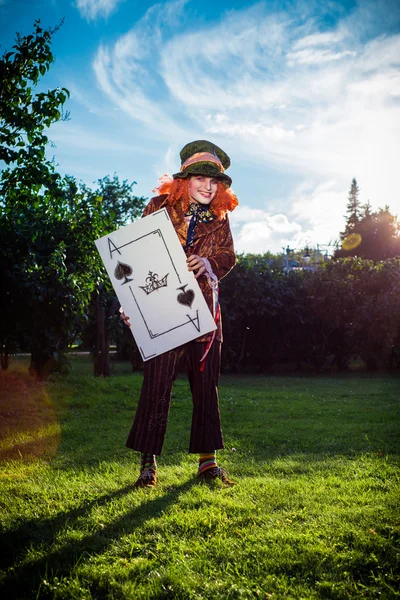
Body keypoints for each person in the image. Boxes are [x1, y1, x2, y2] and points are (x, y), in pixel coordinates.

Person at [120, 140, 238, 488]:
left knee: (206, 388)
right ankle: (148, 464)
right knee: (156, 386)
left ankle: (208, 463)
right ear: (184, 180)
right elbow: (134, 259)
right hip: (162, 312)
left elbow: (229, 257)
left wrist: (208, 262)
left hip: (205, 317)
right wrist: (131, 306)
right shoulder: (158, 207)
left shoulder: (220, 218)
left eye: (214, 180)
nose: (207, 185)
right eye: (200, 177)